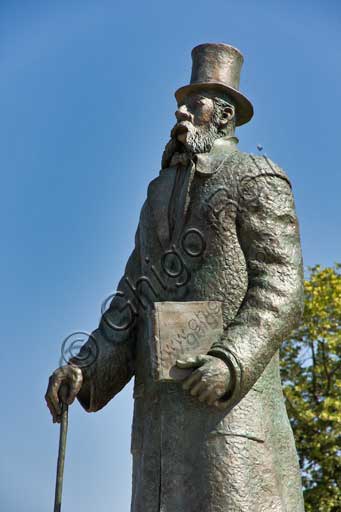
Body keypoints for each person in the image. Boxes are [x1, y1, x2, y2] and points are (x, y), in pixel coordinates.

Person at [45, 43, 305, 511]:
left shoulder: (257, 178)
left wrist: (230, 361)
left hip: (229, 425)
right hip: (160, 439)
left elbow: (282, 287)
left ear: (223, 116)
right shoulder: (157, 194)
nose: (180, 112)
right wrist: (84, 368)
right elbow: (130, 302)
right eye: (180, 104)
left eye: (194, 103)